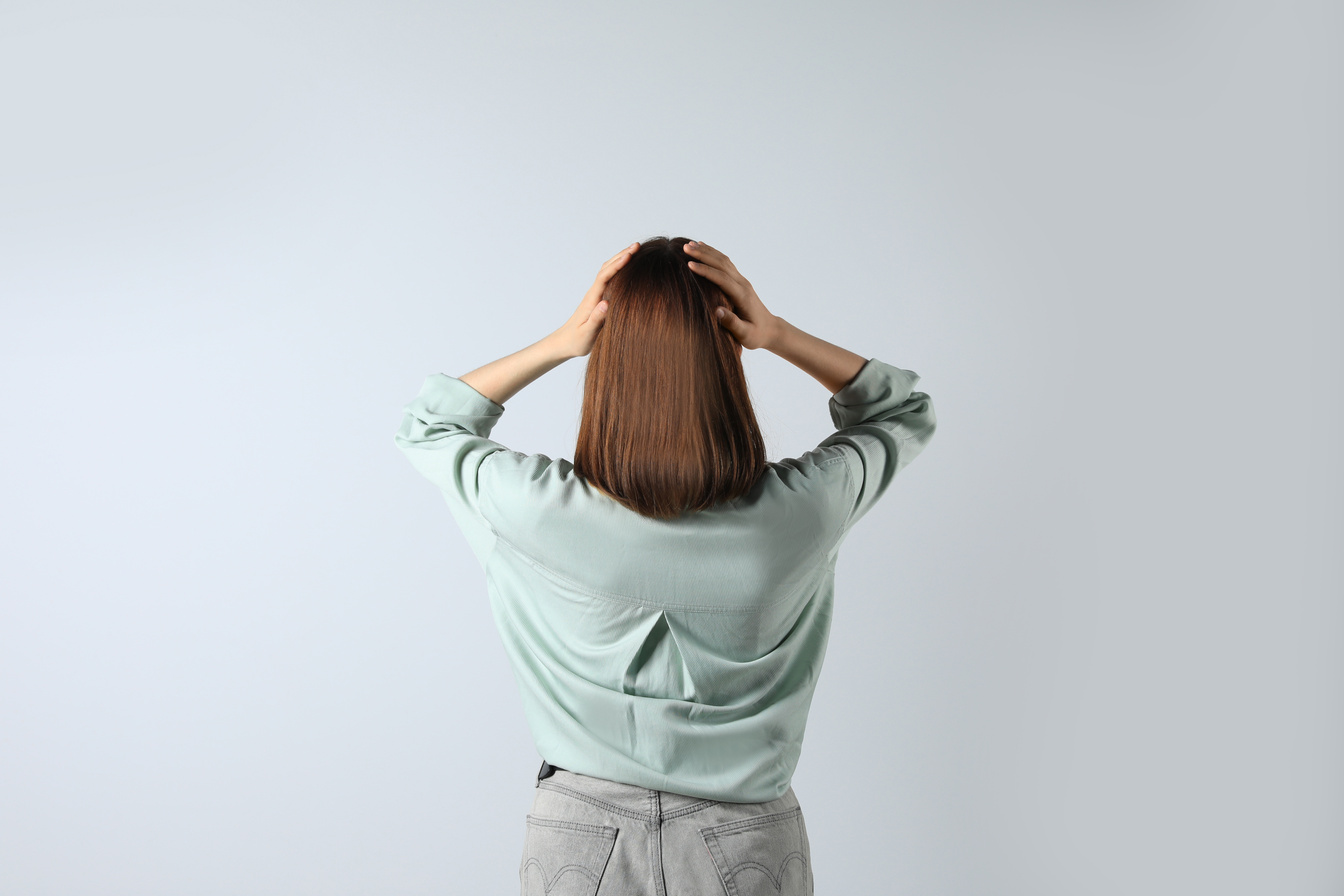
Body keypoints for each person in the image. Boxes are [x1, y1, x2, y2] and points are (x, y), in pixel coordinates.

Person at [393, 236, 937, 895]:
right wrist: (777, 334)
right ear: (727, 362)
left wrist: (561, 342)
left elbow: (430, 424)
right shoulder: (798, 513)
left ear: (607, 364)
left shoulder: (539, 510)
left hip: (581, 836)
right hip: (746, 840)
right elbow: (901, 409)